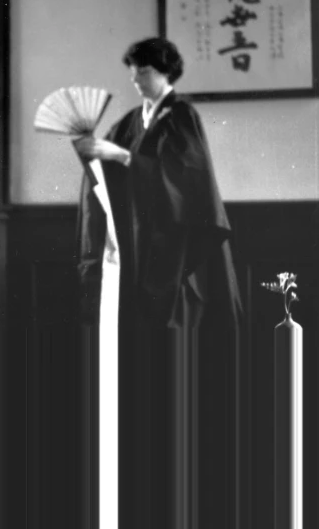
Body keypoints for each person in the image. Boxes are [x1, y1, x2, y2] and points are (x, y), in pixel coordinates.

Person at [74, 37, 243, 529]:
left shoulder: (180, 116)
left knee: (180, 338)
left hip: (179, 252)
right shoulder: (131, 120)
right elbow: (109, 173)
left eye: (144, 71)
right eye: (133, 72)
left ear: (166, 73)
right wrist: (94, 153)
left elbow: (184, 179)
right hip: (140, 251)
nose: (136, 79)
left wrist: (121, 157)